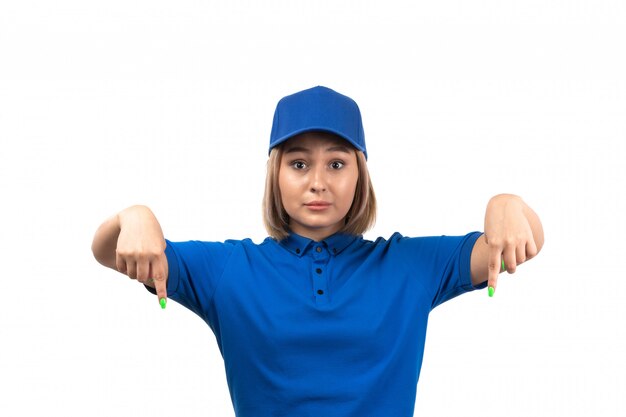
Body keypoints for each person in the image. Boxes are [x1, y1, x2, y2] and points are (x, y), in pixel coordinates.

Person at [92, 86, 544, 417]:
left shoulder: (410, 266)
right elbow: (111, 252)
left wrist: (507, 204)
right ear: (276, 174)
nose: (318, 182)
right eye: (299, 163)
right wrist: (134, 216)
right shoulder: (228, 270)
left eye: (337, 163)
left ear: (359, 175)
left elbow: (521, 244)